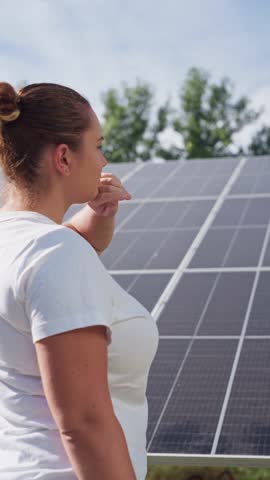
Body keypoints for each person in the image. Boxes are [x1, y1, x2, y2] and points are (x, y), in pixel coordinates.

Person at [0, 81, 159, 480]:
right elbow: (85, 426)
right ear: (65, 158)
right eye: (97, 144)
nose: (104, 159)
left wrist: (100, 214)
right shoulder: (54, 254)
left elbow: (59, 259)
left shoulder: (21, 243)